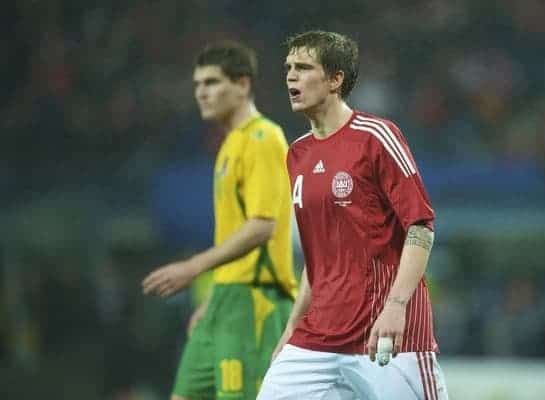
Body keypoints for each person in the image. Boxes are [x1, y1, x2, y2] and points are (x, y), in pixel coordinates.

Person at [257, 30, 449, 400]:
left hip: (387, 333)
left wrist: (396, 307)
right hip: (318, 336)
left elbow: (421, 227)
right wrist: (293, 328)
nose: (291, 76)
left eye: (303, 67)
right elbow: (319, 257)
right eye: (288, 68)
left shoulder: (377, 136)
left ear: (335, 79)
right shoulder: (296, 155)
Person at [142, 41, 298, 400]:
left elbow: (263, 227)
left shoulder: (264, 138)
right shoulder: (230, 145)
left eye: (211, 82)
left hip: (255, 301)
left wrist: (193, 267)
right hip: (224, 301)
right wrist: (214, 299)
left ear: (243, 84)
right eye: (197, 85)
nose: (201, 93)